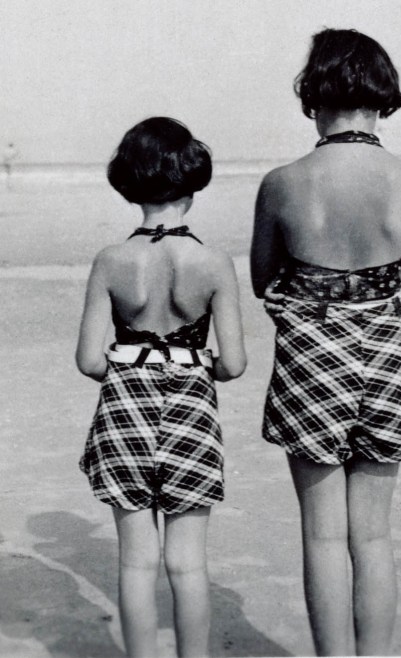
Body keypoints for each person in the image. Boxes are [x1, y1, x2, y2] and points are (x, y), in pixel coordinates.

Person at [251, 28, 401, 656]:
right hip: (385, 352)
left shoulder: (282, 182)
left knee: (323, 536)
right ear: (383, 99)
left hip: (310, 354)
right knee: (374, 537)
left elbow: (262, 277)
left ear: (312, 97)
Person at [76, 117, 246, 658]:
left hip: (124, 404)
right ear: (193, 182)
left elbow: (87, 359)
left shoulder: (111, 261)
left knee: (135, 562)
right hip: (191, 406)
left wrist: (130, 370)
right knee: (187, 563)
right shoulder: (213, 262)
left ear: (129, 182)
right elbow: (235, 364)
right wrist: (199, 368)